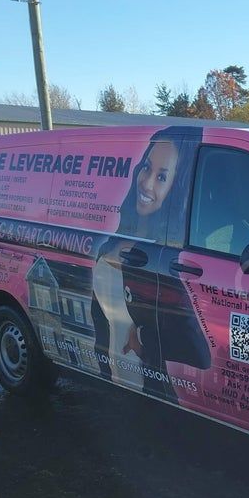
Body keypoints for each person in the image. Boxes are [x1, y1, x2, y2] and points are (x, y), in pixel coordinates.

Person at [90, 129, 211, 402]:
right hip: (112, 388)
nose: (147, 183)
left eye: (162, 177)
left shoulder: (162, 261)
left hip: (150, 393)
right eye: (147, 168)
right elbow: (101, 325)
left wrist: (141, 336)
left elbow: (199, 352)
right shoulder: (113, 244)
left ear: (175, 187)